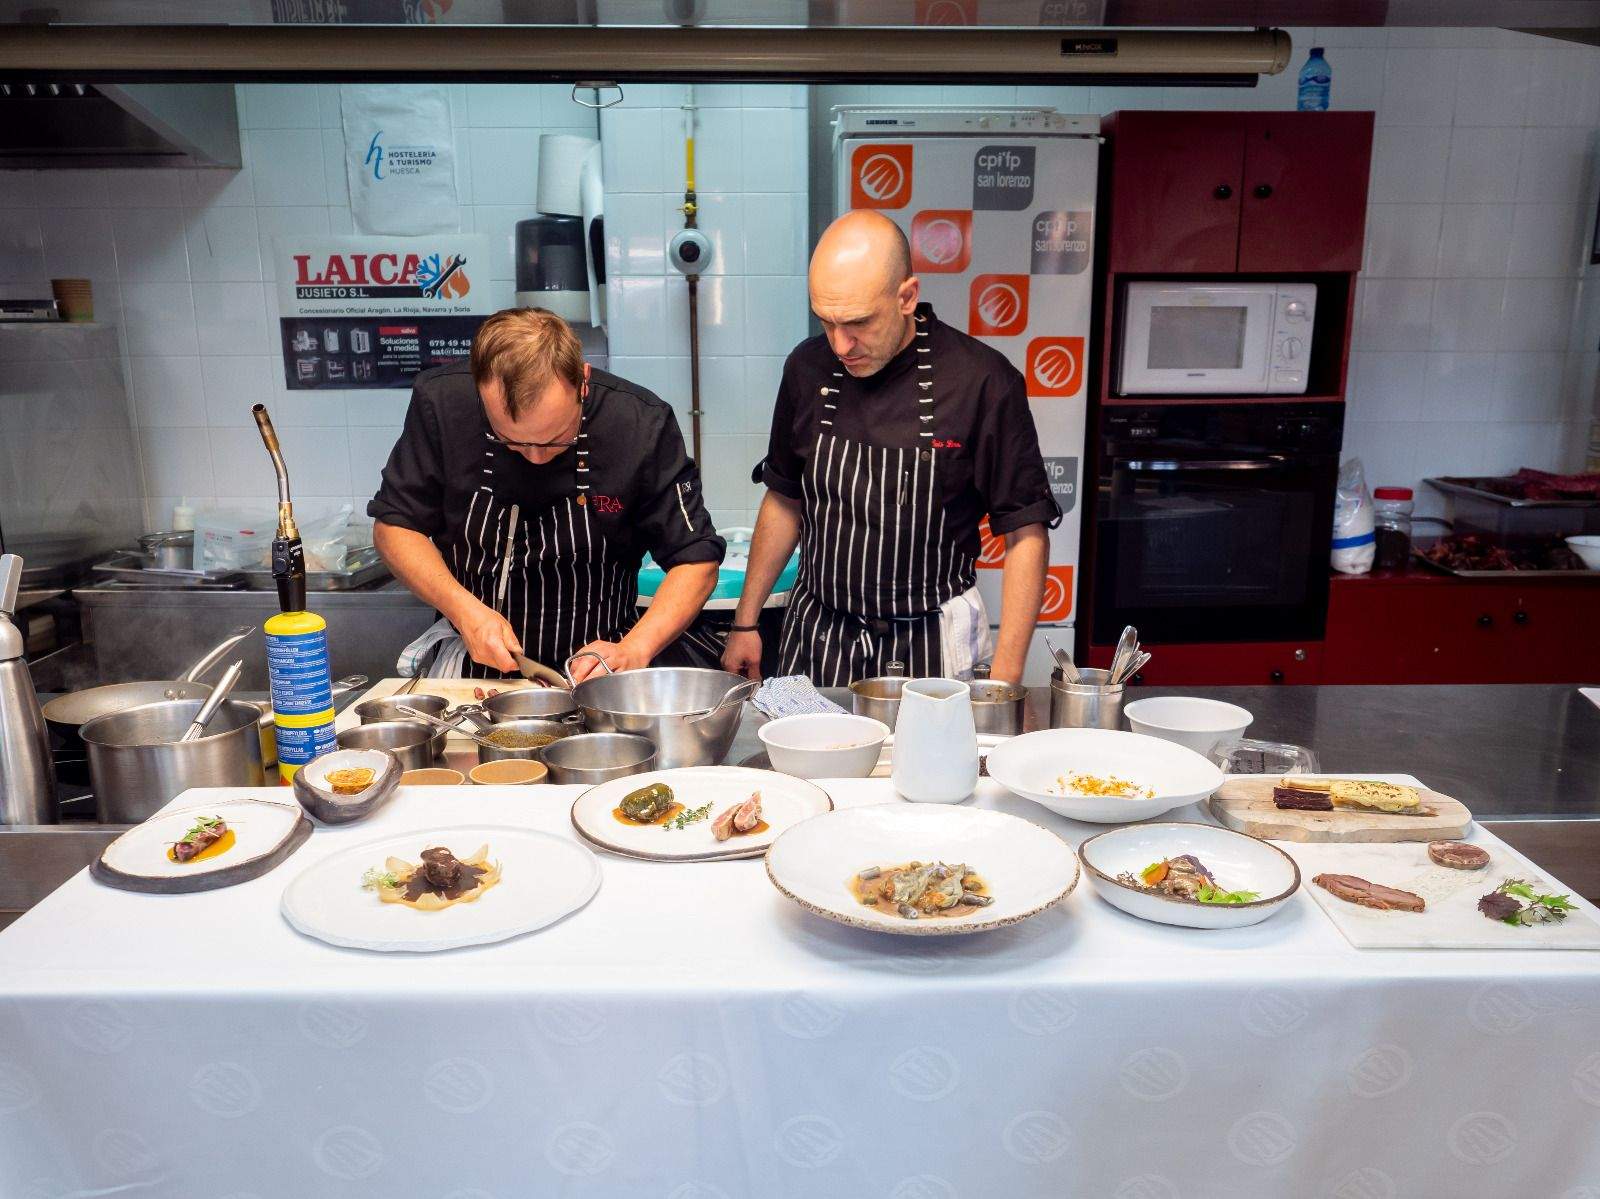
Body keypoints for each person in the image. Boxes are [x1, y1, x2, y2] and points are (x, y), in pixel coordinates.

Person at [722, 211, 1059, 686]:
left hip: (931, 641)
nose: (840, 344)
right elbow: (783, 497)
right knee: (807, 763)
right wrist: (746, 620)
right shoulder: (806, 368)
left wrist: (1003, 681)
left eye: (858, 323)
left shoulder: (983, 381)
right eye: (826, 322)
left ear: (907, 296)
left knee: (930, 762)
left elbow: (1025, 532)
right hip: (819, 637)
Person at [370, 307, 723, 683]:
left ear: (582, 381)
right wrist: (464, 611)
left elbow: (696, 561)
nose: (536, 457)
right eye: (512, 441)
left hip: (601, 671)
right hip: (474, 674)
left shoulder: (640, 425)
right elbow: (395, 527)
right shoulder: (441, 403)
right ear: (478, 389)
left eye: (556, 439)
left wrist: (635, 648)